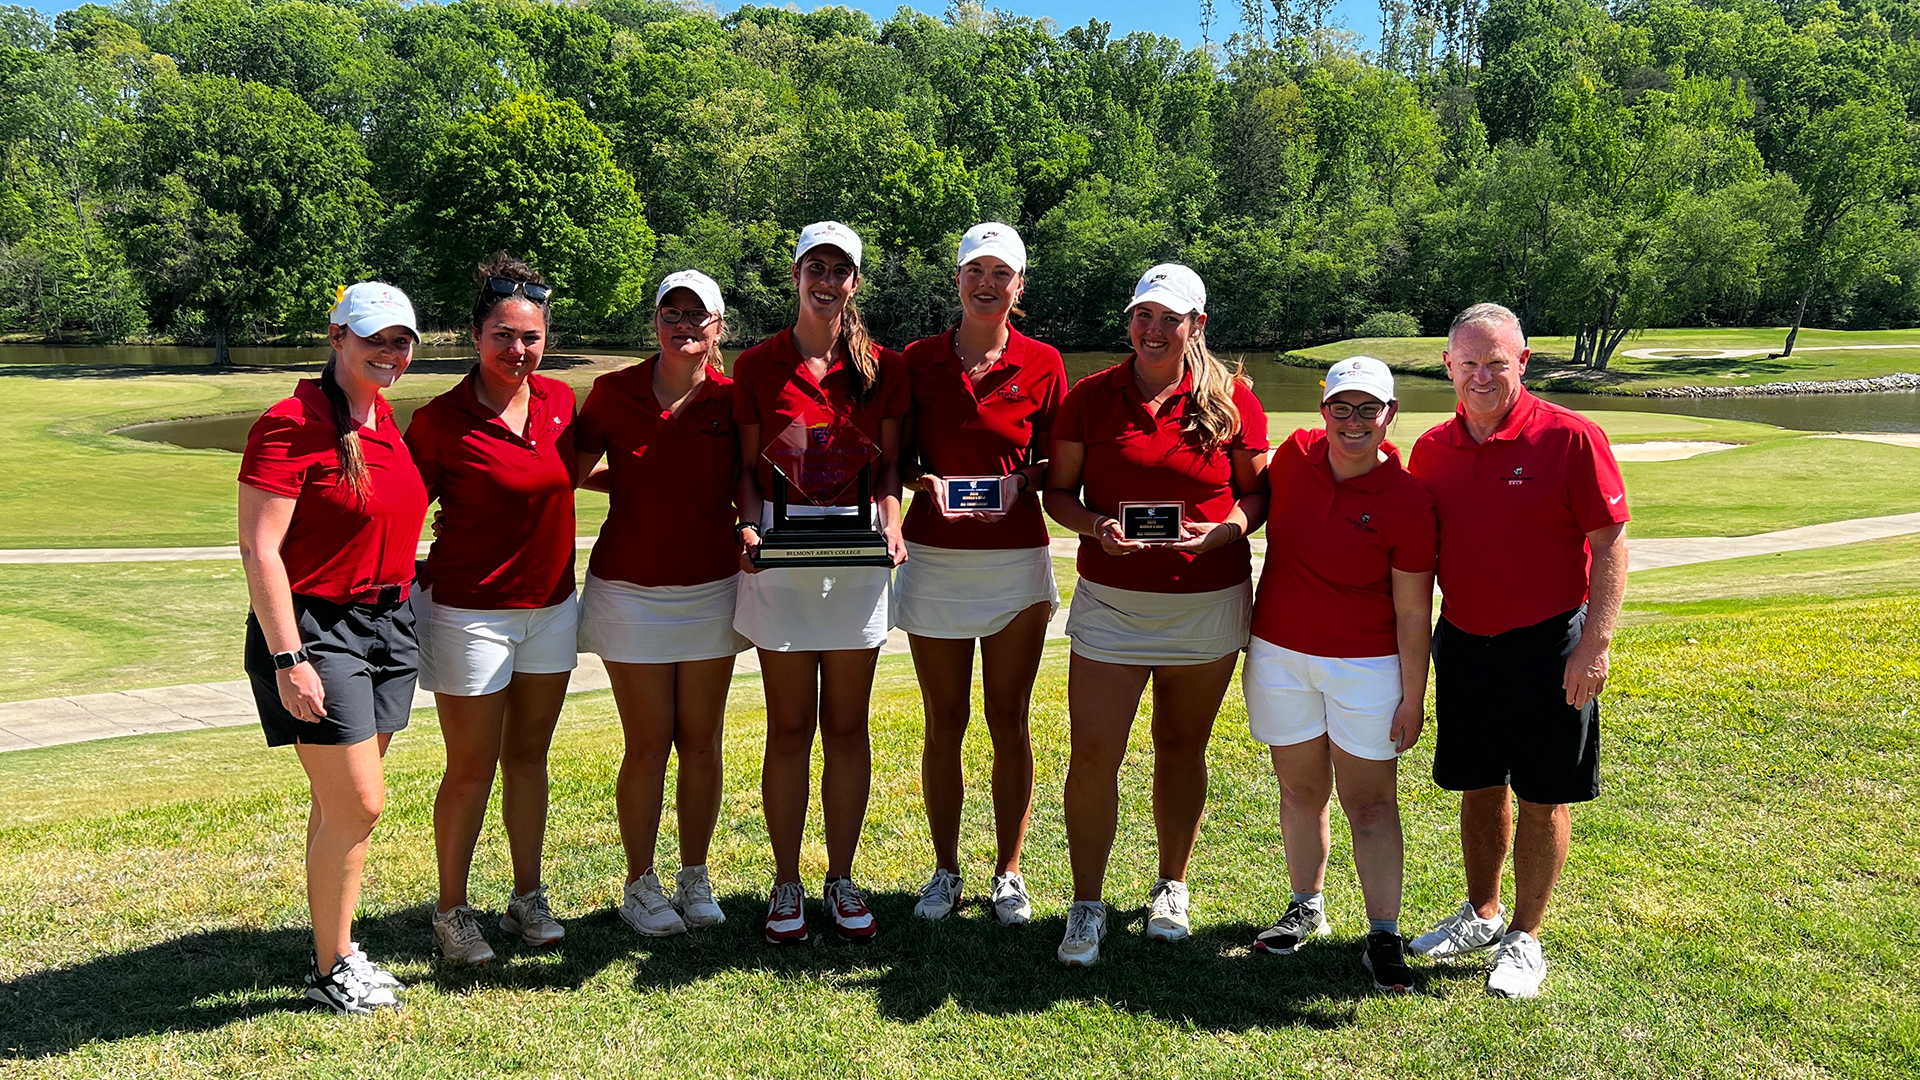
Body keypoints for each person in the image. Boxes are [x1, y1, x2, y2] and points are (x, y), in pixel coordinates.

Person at [1043, 263, 1270, 967]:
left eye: (1171, 318)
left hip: (1205, 602)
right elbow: (1059, 493)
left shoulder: (1233, 400)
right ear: (1130, 320)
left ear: (1196, 325)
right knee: (1094, 753)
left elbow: (1257, 497)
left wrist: (1225, 532)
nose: (1154, 329)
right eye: (1144, 315)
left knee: (1181, 747)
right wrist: (1095, 527)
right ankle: (1087, 903)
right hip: (1112, 603)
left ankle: (1172, 885)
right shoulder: (1089, 397)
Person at [1405, 302, 1629, 999]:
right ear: (1448, 365)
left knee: (1542, 793)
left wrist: (1595, 644)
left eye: (1496, 363)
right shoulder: (1430, 449)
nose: (1481, 376)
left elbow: (1609, 542)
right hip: (1464, 642)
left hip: (1549, 642)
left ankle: (1525, 937)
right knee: (1479, 785)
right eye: (1468, 363)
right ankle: (1482, 914)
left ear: (1522, 362)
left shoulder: (1571, 437)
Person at [237, 282, 426, 1014]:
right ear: (337, 336)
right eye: (375, 338)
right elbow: (261, 549)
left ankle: (334, 945)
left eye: (402, 341)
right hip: (318, 633)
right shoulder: (290, 424)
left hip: (389, 626)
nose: (390, 352)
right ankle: (332, 967)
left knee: (338, 806)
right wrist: (289, 659)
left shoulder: (383, 420)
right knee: (361, 806)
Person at [733, 222, 908, 944]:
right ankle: (786, 882)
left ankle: (841, 877)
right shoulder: (757, 365)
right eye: (816, 267)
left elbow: (889, 469)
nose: (827, 281)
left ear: (855, 282)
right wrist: (749, 527)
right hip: (782, 558)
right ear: (797, 275)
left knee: (845, 725)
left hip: (857, 558)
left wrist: (893, 524)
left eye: (840, 270)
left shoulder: (882, 367)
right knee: (788, 727)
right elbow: (748, 471)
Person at [1241, 356, 1435, 993]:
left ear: (1390, 414)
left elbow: (1413, 611)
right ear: (1322, 411)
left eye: (1369, 409)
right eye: (1341, 408)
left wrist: (1413, 697)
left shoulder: (1408, 500)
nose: (1354, 421)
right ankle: (1307, 905)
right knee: (1300, 793)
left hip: (1367, 667)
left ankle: (1383, 934)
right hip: (1279, 655)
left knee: (1371, 803)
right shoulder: (1294, 455)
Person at [405, 256, 576, 965]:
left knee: (529, 759)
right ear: (475, 336)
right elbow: (398, 508)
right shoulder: (439, 421)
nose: (518, 350)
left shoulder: (561, 403)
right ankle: (451, 912)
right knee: (472, 767)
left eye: (531, 337)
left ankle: (527, 898)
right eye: (503, 335)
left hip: (553, 606)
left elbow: (582, 471)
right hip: (469, 614)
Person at [898, 223, 1064, 925]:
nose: (987, 284)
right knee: (944, 721)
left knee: (1008, 719)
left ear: (1019, 286)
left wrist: (1024, 481)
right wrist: (924, 481)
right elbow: (896, 455)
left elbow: (1058, 460)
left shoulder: (1045, 362)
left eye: (1001, 274)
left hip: (1015, 560)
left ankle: (1009, 871)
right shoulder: (916, 360)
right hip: (935, 559)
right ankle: (944, 870)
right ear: (958, 280)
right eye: (976, 271)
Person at [575, 269, 748, 937]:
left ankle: (694, 876)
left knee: (701, 741)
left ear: (718, 328)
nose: (683, 325)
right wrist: (633, 480)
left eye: (696, 315)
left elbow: (752, 479)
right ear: (655, 322)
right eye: (670, 312)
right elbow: (568, 472)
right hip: (628, 592)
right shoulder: (613, 392)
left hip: (711, 588)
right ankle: (640, 883)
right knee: (648, 743)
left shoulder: (733, 399)